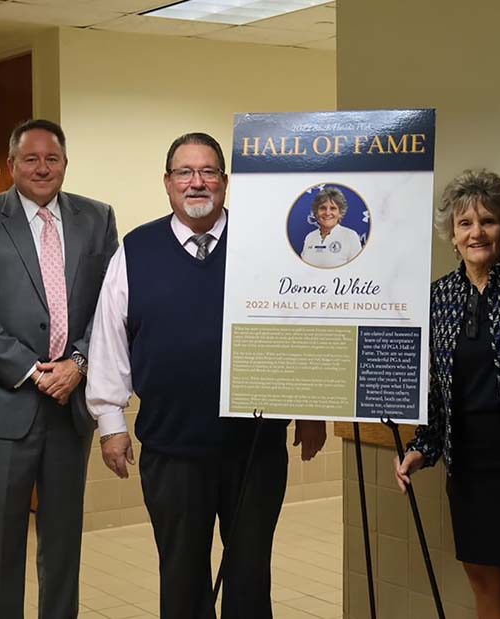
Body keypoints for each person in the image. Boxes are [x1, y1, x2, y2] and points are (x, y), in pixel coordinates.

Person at [86, 132, 327, 619]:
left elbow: (301, 326)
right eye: (185, 172)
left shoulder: (266, 245)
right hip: (173, 449)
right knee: (182, 577)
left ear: (225, 181)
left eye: (208, 172)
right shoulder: (136, 250)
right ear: (168, 182)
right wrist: (111, 424)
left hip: (254, 447)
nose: (197, 183)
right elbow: (109, 340)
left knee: (250, 575)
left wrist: (312, 410)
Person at [0, 118, 118, 618]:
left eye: (53, 158)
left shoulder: (97, 217)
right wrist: (33, 370)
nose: (43, 168)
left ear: (65, 163)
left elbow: (111, 305)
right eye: (31, 159)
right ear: (11, 165)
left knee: (64, 534)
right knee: (0, 533)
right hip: (3, 400)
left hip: (71, 402)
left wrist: (79, 364)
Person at [394, 170, 500, 619]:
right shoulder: (439, 297)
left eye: (488, 221)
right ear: (452, 233)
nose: (477, 232)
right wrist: (422, 447)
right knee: (484, 582)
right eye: (465, 224)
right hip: (467, 464)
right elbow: (436, 389)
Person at [299, 185, 363, 267]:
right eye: (323, 208)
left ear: (340, 213)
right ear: (316, 212)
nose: (327, 213)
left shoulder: (350, 236)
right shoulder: (310, 237)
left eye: (333, 208)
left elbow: (358, 270)